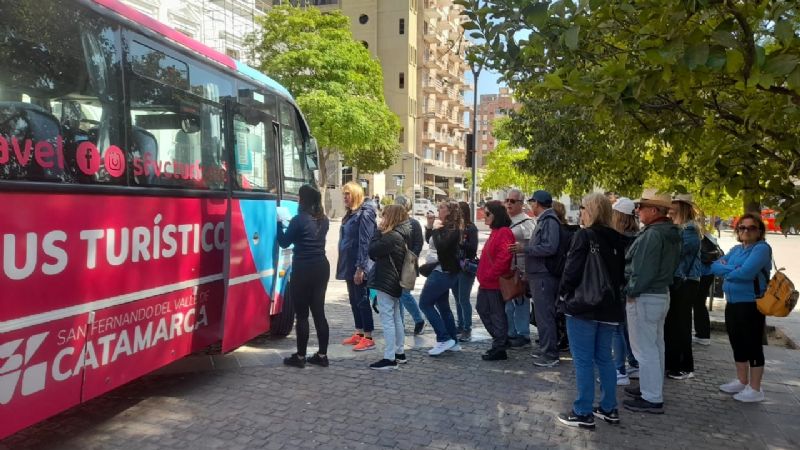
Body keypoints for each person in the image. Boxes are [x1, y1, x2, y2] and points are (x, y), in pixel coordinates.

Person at [556, 193, 627, 429]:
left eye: (583, 208)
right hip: (609, 306)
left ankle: (583, 411)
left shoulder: (584, 236)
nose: (580, 212)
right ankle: (609, 407)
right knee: (605, 358)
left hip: (583, 306)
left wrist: (564, 294)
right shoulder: (618, 238)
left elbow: (571, 271)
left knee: (584, 361)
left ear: (592, 210)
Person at [622, 189, 681, 414]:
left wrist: (630, 291)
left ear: (654, 210)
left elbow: (643, 270)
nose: (638, 211)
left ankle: (652, 396)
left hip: (646, 295)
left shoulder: (653, 234)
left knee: (645, 349)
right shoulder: (668, 232)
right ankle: (651, 388)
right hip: (658, 293)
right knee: (655, 347)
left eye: (642, 207)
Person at [710, 213, 772, 402]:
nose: (746, 231)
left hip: (751, 304)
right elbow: (714, 267)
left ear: (759, 231)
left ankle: (755, 388)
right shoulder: (738, 249)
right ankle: (741, 380)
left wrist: (730, 268)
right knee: (737, 342)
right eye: (742, 227)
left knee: (752, 345)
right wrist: (735, 268)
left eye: (751, 228)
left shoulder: (761, 248)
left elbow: (746, 273)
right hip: (733, 302)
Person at [278, 185, 331, 368]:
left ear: (303, 200)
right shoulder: (323, 220)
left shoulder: (298, 220)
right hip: (322, 267)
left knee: (302, 315)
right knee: (319, 313)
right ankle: (322, 355)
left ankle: (300, 357)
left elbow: (284, 242)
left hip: (303, 269)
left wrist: (278, 223)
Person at [367, 205, 412, 370]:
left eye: (384, 216)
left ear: (391, 217)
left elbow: (371, 250)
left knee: (388, 319)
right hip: (395, 281)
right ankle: (399, 353)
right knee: (395, 317)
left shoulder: (391, 236)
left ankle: (389, 357)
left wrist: (378, 232)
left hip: (386, 281)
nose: (382, 219)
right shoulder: (402, 234)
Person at [664, 194, 703, 380]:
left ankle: (684, 366)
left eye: (672, 205)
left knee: (681, 324)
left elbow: (677, 252)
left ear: (681, 207)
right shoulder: (681, 227)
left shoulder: (689, 229)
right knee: (673, 324)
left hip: (686, 281)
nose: (669, 207)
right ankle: (673, 364)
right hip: (679, 280)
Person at [337, 181, 378, 351]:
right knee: (354, 300)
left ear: (355, 194)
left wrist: (361, 267)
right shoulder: (350, 214)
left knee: (362, 300)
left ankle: (368, 336)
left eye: (348, 194)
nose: (345, 197)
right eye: (344, 194)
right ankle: (359, 332)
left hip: (358, 264)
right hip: (348, 263)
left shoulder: (365, 214)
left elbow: (365, 242)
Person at [421, 201, 464, 355]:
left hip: (443, 271)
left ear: (450, 211)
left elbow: (441, 246)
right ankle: (453, 341)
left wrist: (436, 230)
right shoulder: (444, 227)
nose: (438, 210)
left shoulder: (452, 228)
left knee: (425, 304)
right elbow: (430, 241)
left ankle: (444, 338)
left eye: (442, 208)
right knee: (443, 306)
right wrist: (430, 226)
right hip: (441, 270)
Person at [525, 190, 562, 367]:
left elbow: (549, 247)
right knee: (542, 315)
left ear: (537, 203)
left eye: (532, 203)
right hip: (539, 274)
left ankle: (550, 354)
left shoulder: (549, 220)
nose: (531, 206)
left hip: (544, 275)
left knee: (545, 315)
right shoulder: (545, 220)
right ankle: (546, 349)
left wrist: (526, 249)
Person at [476, 201, 515, 361]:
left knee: (496, 314)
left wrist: (489, 275)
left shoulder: (504, 232)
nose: (484, 216)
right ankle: (500, 341)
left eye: (487, 214)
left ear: (495, 215)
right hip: (487, 282)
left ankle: (500, 346)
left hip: (493, 282)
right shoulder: (496, 231)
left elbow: (504, 258)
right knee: (483, 309)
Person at [609, 197, 639, 384]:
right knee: (626, 328)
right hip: (628, 286)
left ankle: (619, 369)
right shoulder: (637, 236)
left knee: (616, 329)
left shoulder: (618, 237)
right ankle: (633, 363)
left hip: (619, 286)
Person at [505, 189, 536, 347]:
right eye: (507, 200)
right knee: (508, 303)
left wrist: (522, 247)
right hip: (506, 268)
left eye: (512, 201)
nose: (508, 203)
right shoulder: (504, 219)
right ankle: (511, 333)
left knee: (521, 302)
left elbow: (533, 245)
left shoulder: (527, 221)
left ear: (521, 203)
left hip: (521, 269)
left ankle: (523, 334)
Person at [394, 196, 426, 335]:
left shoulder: (414, 223)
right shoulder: (393, 223)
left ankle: (419, 319)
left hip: (409, 264)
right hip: (395, 264)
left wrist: (412, 257)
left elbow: (419, 242)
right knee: (397, 295)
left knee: (404, 294)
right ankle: (399, 324)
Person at [551, 200, 579, 352]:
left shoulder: (560, 230)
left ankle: (561, 338)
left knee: (558, 308)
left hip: (559, 273)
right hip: (562, 272)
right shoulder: (570, 230)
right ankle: (562, 337)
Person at [453, 201, 478, 342]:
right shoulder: (457, 227)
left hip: (466, 267)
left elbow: (472, 249)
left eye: (457, 211)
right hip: (456, 266)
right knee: (457, 299)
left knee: (463, 299)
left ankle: (467, 328)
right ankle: (461, 325)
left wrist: (461, 242)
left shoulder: (471, 228)